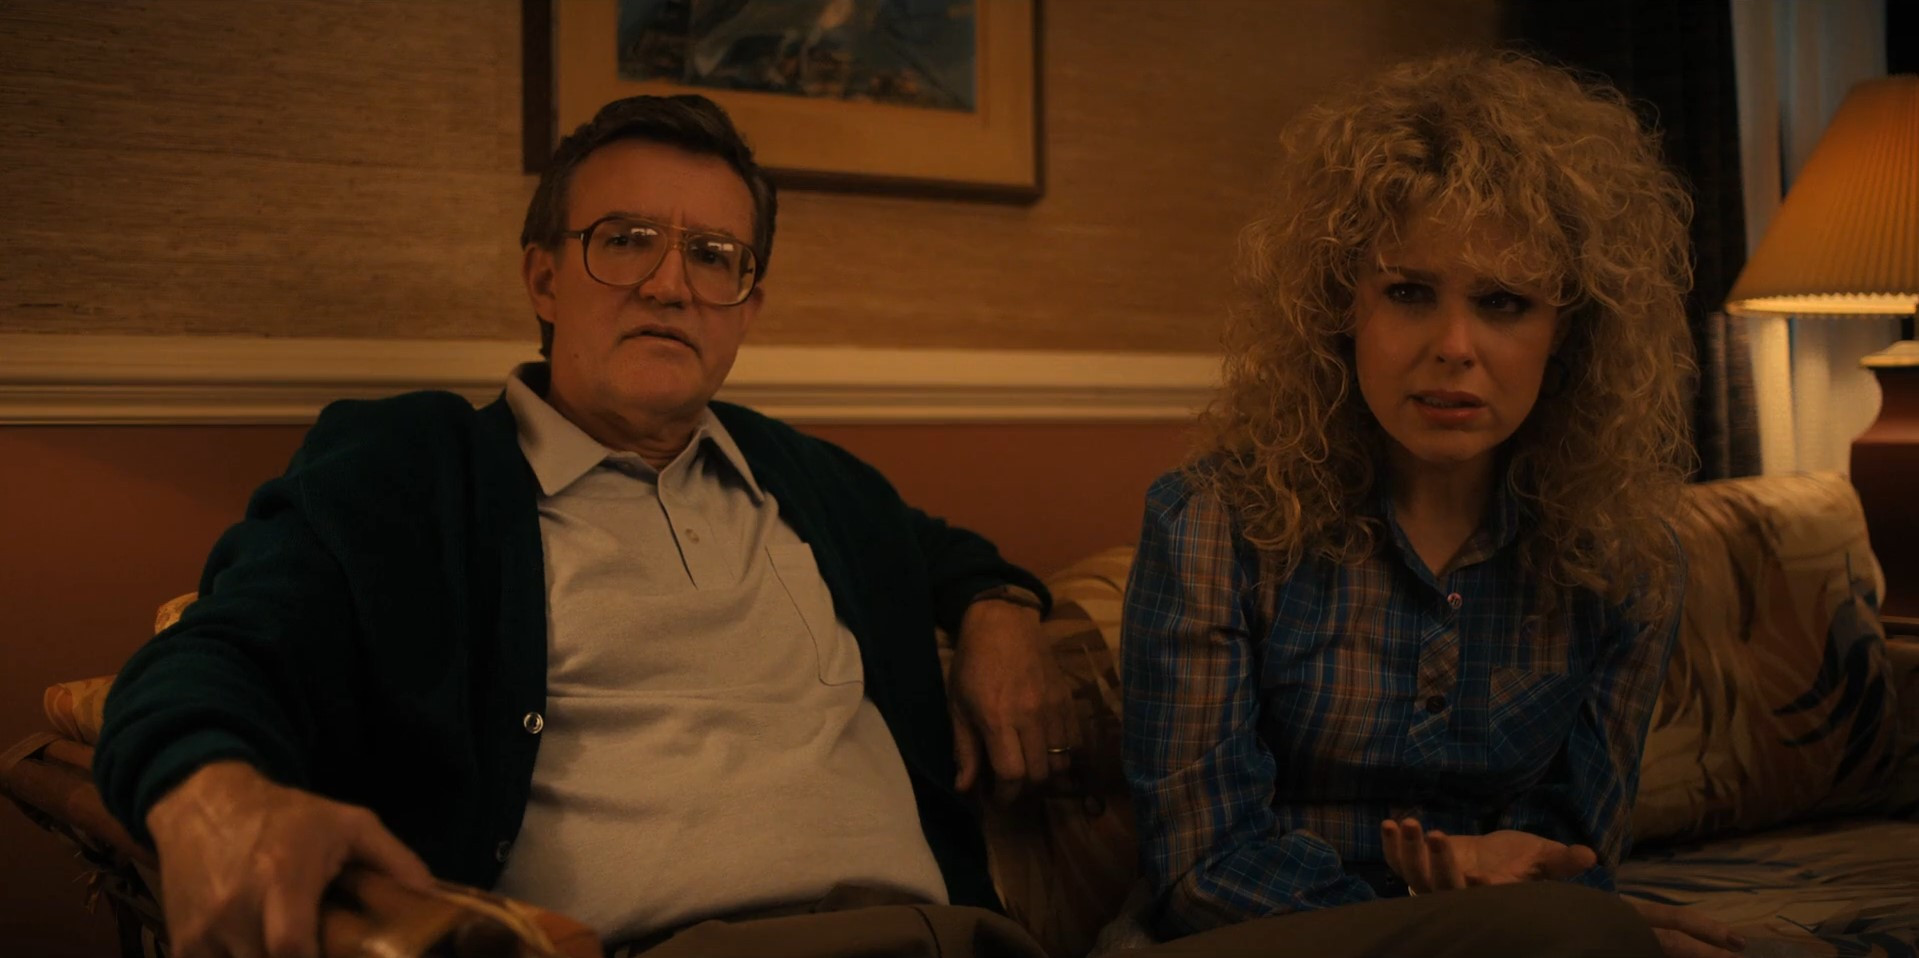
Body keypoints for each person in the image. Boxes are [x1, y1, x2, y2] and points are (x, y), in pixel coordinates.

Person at [94, 94, 1080, 958]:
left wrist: (998, 609)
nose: (669, 284)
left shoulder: (815, 482)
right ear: (542, 279)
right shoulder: (408, 471)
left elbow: (945, 553)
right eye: (624, 239)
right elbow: (220, 650)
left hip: (953, 940)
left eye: (713, 256)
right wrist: (215, 793)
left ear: (746, 308)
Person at [1119, 52, 1748, 958]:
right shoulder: (1213, 524)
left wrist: (1515, 890)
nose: (1454, 346)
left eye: (1503, 302)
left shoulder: (1625, 558)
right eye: (1409, 293)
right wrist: (1432, 911)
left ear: (1567, 333)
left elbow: (1575, 846)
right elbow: (1201, 864)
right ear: (1341, 307)